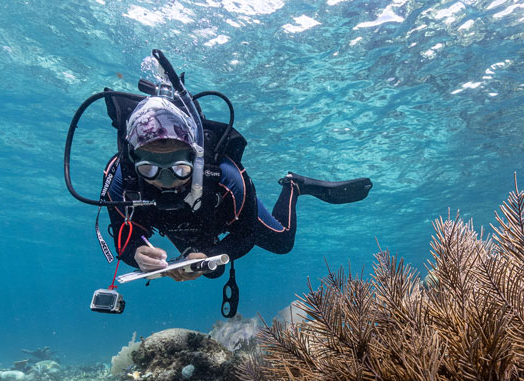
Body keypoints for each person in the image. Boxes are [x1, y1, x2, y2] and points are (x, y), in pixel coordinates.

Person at [102, 95, 372, 282]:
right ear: (132, 160)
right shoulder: (119, 181)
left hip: (217, 212)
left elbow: (245, 234)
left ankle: (293, 186)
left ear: (195, 158)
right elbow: (124, 240)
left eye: (179, 169)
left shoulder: (228, 178)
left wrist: (212, 254)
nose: (166, 181)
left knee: (282, 242)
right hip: (186, 224)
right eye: (149, 169)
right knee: (211, 271)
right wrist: (136, 253)